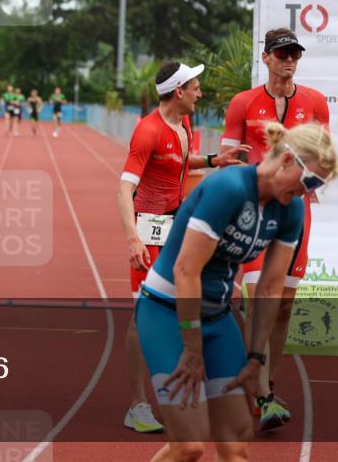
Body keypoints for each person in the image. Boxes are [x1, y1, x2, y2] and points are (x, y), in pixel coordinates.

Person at [136, 123, 338, 461]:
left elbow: (271, 287)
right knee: (189, 445)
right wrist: (191, 346)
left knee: (236, 448)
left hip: (216, 318)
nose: (308, 192)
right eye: (311, 181)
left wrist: (256, 357)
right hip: (168, 314)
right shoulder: (228, 188)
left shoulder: (291, 209)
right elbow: (186, 270)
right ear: (287, 160)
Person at [119, 62, 248, 433]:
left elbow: (177, 162)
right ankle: (137, 405)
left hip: (177, 225)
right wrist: (132, 238)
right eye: (196, 87)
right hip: (147, 228)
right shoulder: (147, 131)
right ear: (179, 92)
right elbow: (124, 189)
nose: (200, 93)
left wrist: (212, 161)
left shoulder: (185, 125)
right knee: (143, 317)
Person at [220, 27, 329, 428]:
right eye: (282, 53)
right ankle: (263, 395)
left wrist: (310, 184)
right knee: (259, 302)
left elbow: (324, 157)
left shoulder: (315, 101)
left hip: (297, 213)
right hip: (254, 210)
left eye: (295, 54)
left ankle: (267, 382)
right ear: (265, 57)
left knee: (283, 306)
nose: (289, 59)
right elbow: (228, 156)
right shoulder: (243, 103)